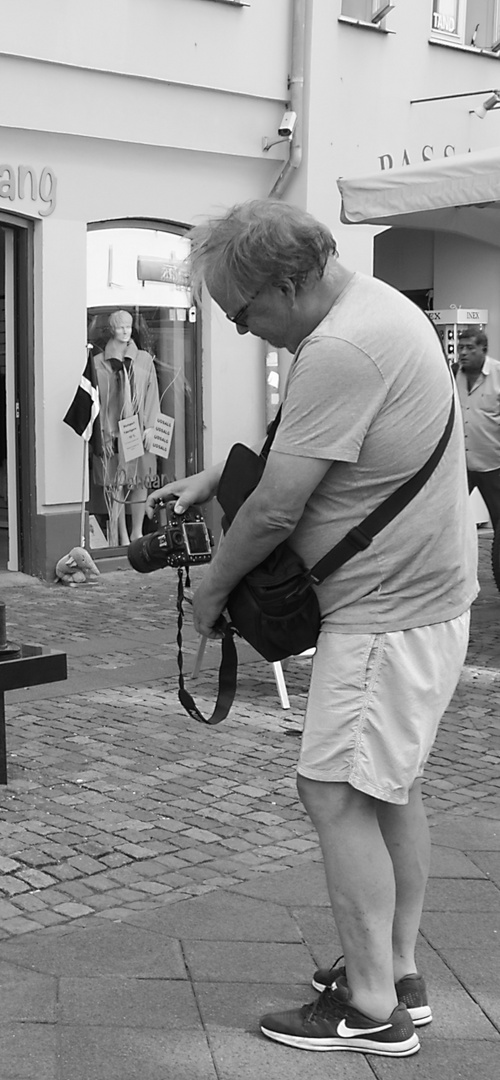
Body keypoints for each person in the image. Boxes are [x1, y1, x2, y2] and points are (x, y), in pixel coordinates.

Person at [149, 200, 476, 1057]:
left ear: (289, 283)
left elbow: (279, 506)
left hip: (385, 612)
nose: (246, 329)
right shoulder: (373, 308)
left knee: (332, 792)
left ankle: (371, 1007)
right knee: (384, 789)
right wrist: (216, 470)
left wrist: (207, 595)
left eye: (245, 311)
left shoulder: (338, 348)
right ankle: (396, 971)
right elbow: (319, 447)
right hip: (420, 602)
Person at [91, 309, 160, 544]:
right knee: (115, 483)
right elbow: (98, 402)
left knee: (141, 480)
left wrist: (151, 426)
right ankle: (119, 534)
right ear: (112, 329)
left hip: (138, 430)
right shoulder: (98, 364)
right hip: (113, 431)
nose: (125, 331)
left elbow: (153, 394)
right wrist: (103, 434)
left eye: (128, 327)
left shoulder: (143, 360)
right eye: (120, 327)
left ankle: (137, 531)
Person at [455, 328, 500, 528]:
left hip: (493, 464)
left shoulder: (498, 375)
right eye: (460, 347)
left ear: (484, 349)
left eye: (470, 348)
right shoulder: (453, 374)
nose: (463, 353)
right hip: (459, 465)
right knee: (448, 520)